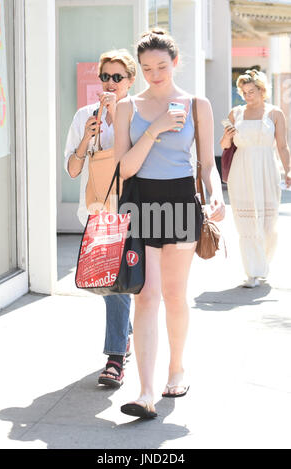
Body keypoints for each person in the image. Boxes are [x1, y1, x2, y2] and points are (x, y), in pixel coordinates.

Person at [114, 29, 225, 418]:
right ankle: (145, 392)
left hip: (180, 202)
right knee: (145, 295)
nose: (154, 74)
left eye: (161, 66)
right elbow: (125, 168)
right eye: (146, 68)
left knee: (175, 295)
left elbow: (208, 164)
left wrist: (216, 193)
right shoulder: (127, 106)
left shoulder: (198, 104)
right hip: (141, 202)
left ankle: (176, 368)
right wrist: (157, 127)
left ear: (175, 62)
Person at [64, 49, 137, 387]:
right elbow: (74, 169)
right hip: (99, 209)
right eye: (105, 76)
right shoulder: (83, 115)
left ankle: (114, 358)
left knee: (119, 284)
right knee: (113, 284)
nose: (109, 83)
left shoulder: (138, 113)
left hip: (134, 207)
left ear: (130, 81)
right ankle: (123, 339)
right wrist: (87, 136)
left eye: (117, 77)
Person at [220, 69, 291, 288]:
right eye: (244, 92)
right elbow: (224, 146)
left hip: (267, 168)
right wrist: (227, 136)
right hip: (241, 169)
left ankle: (263, 265)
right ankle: (253, 271)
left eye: (251, 91)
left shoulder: (275, 113)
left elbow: (282, 145)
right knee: (246, 222)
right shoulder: (235, 113)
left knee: (268, 223)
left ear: (262, 90)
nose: (247, 96)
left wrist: (288, 170)